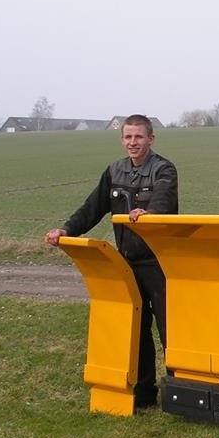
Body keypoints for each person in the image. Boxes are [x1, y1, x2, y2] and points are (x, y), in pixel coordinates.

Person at [45, 114, 178, 409]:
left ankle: (178, 394)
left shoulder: (164, 169)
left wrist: (150, 214)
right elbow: (92, 208)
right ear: (121, 140)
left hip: (162, 263)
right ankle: (144, 394)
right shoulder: (114, 171)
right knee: (138, 329)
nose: (133, 142)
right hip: (127, 263)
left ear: (151, 139)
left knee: (171, 329)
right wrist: (66, 230)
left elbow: (164, 201)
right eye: (128, 137)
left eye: (139, 137)